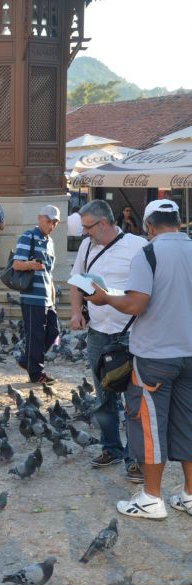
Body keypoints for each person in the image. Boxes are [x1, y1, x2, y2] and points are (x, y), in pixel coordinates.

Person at [87, 199, 192, 521]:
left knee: (149, 426)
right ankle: (189, 495)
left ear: (148, 226)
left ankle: (151, 498)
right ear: (177, 221)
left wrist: (105, 298)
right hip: (189, 353)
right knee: (188, 424)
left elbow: (135, 305)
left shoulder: (148, 253)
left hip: (155, 356)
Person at [70, 200, 147, 481]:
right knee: (103, 394)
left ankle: (135, 458)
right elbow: (76, 280)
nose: (84, 233)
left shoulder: (138, 246)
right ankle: (111, 448)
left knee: (133, 398)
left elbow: (149, 289)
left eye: (88, 227)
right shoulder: (86, 247)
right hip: (98, 332)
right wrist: (76, 311)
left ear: (103, 224)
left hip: (131, 333)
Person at [13, 205, 60, 384]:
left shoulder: (51, 242)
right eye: (49, 220)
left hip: (47, 295)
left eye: (55, 221)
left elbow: (50, 273)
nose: (52, 224)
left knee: (54, 331)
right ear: (40, 218)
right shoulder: (28, 236)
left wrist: (53, 299)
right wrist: (31, 264)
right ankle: (36, 373)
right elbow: (17, 264)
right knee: (36, 335)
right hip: (32, 295)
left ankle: (27, 360)